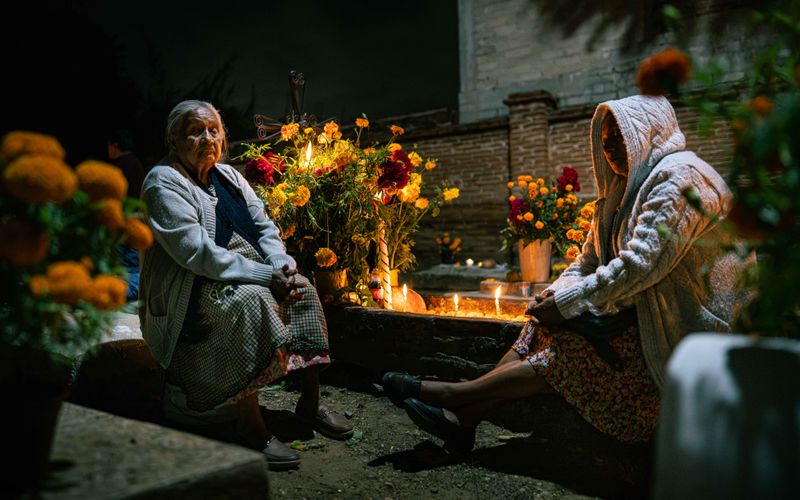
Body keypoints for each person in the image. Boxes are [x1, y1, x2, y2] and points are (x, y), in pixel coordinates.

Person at [383, 94, 747, 453]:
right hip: (641, 314)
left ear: (649, 132)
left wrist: (568, 302)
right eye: (605, 141)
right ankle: (462, 419)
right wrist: (555, 296)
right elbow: (586, 260)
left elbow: (638, 266)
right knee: (542, 322)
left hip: (693, 330)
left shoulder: (681, 180)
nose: (611, 149)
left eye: (621, 137)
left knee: (571, 347)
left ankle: (454, 397)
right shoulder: (621, 191)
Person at [138, 100, 352, 470]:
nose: (208, 137)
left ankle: (310, 404)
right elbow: (196, 254)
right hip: (194, 285)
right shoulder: (163, 181)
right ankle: (250, 424)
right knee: (249, 301)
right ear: (173, 140)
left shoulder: (230, 177)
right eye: (195, 130)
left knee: (303, 288)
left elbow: (264, 226)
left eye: (214, 130)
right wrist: (264, 277)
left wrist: (282, 267)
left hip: (252, 269)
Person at [107, 129, 146, 301]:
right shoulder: (135, 162)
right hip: (134, 219)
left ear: (115, 146)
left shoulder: (124, 164)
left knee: (129, 263)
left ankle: (129, 292)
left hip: (127, 220)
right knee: (130, 262)